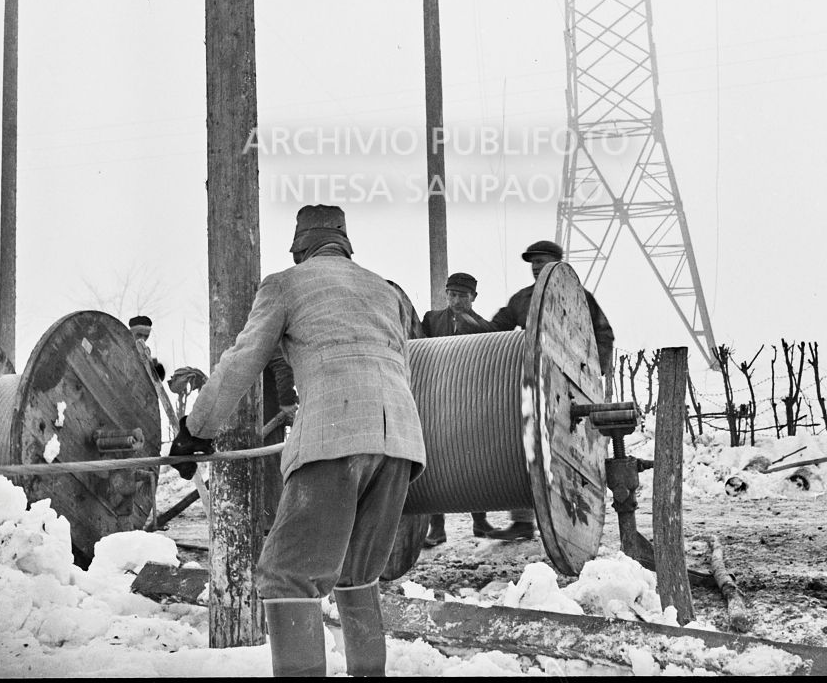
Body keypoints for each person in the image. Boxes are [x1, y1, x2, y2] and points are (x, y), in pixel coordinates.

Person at [168, 205, 426, 677]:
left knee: (287, 575)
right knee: (358, 574)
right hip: (401, 444)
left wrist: (195, 430)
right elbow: (403, 366)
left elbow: (242, 360)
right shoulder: (386, 291)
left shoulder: (285, 284)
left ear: (299, 249)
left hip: (334, 438)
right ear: (345, 245)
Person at [487, 239, 615, 542]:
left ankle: (573, 523)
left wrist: (591, 375)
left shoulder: (578, 297)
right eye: (532, 263)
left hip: (571, 387)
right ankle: (522, 521)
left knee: (569, 450)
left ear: (556, 264)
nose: (535, 267)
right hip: (533, 385)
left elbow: (603, 334)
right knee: (522, 447)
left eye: (541, 261)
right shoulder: (522, 299)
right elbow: (495, 329)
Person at [420, 272, 498, 547]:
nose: (455, 301)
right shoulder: (431, 320)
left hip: (469, 401)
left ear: (474, 297)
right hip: (436, 400)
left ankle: (480, 521)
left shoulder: (485, 327)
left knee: (472, 462)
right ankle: (437, 528)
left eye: (462, 296)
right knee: (433, 464)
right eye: (451, 295)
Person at [129, 314, 165, 381]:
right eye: (139, 335)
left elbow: (156, 380)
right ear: (131, 332)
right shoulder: (120, 345)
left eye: (146, 336)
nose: (143, 339)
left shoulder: (146, 350)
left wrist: (155, 367)